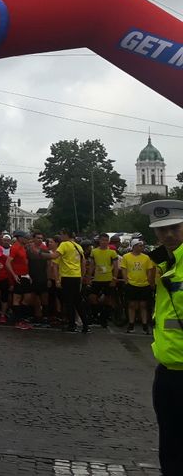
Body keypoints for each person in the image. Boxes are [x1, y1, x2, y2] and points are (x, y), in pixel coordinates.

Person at [143, 200, 183, 475]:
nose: (168, 235)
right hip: (167, 370)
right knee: (170, 445)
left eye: (174, 228)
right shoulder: (164, 262)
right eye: (161, 230)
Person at [51, 231, 88, 333]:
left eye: (62, 234)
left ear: (66, 235)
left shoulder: (64, 244)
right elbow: (83, 263)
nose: (61, 237)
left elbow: (54, 257)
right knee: (78, 301)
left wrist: (40, 254)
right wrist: (82, 276)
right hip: (76, 276)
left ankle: (72, 325)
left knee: (69, 302)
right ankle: (85, 324)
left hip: (67, 276)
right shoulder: (78, 246)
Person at [120, 238, 155, 335]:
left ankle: (144, 325)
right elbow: (124, 269)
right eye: (140, 246)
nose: (142, 247)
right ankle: (131, 324)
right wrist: (126, 281)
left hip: (144, 284)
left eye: (142, 246)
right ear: (134, 246)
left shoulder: (146, 257)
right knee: (132, 305)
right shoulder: (126, 257)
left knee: (143, 305)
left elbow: (149, 270)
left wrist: (148, 281)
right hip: (131, 284)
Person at [88, 233, 118, 329]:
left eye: (106, 240)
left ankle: (104, 319)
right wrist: (89, 277)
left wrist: (114, 278)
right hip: (97, 279)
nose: (104, 242)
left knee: (108, 300)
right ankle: (96, 315)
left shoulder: (112, 253)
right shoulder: (94, 251)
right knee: (92, 297)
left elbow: (116, 267)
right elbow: (92, 265)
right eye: (102, 240)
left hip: (108, 279)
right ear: (99, 241)